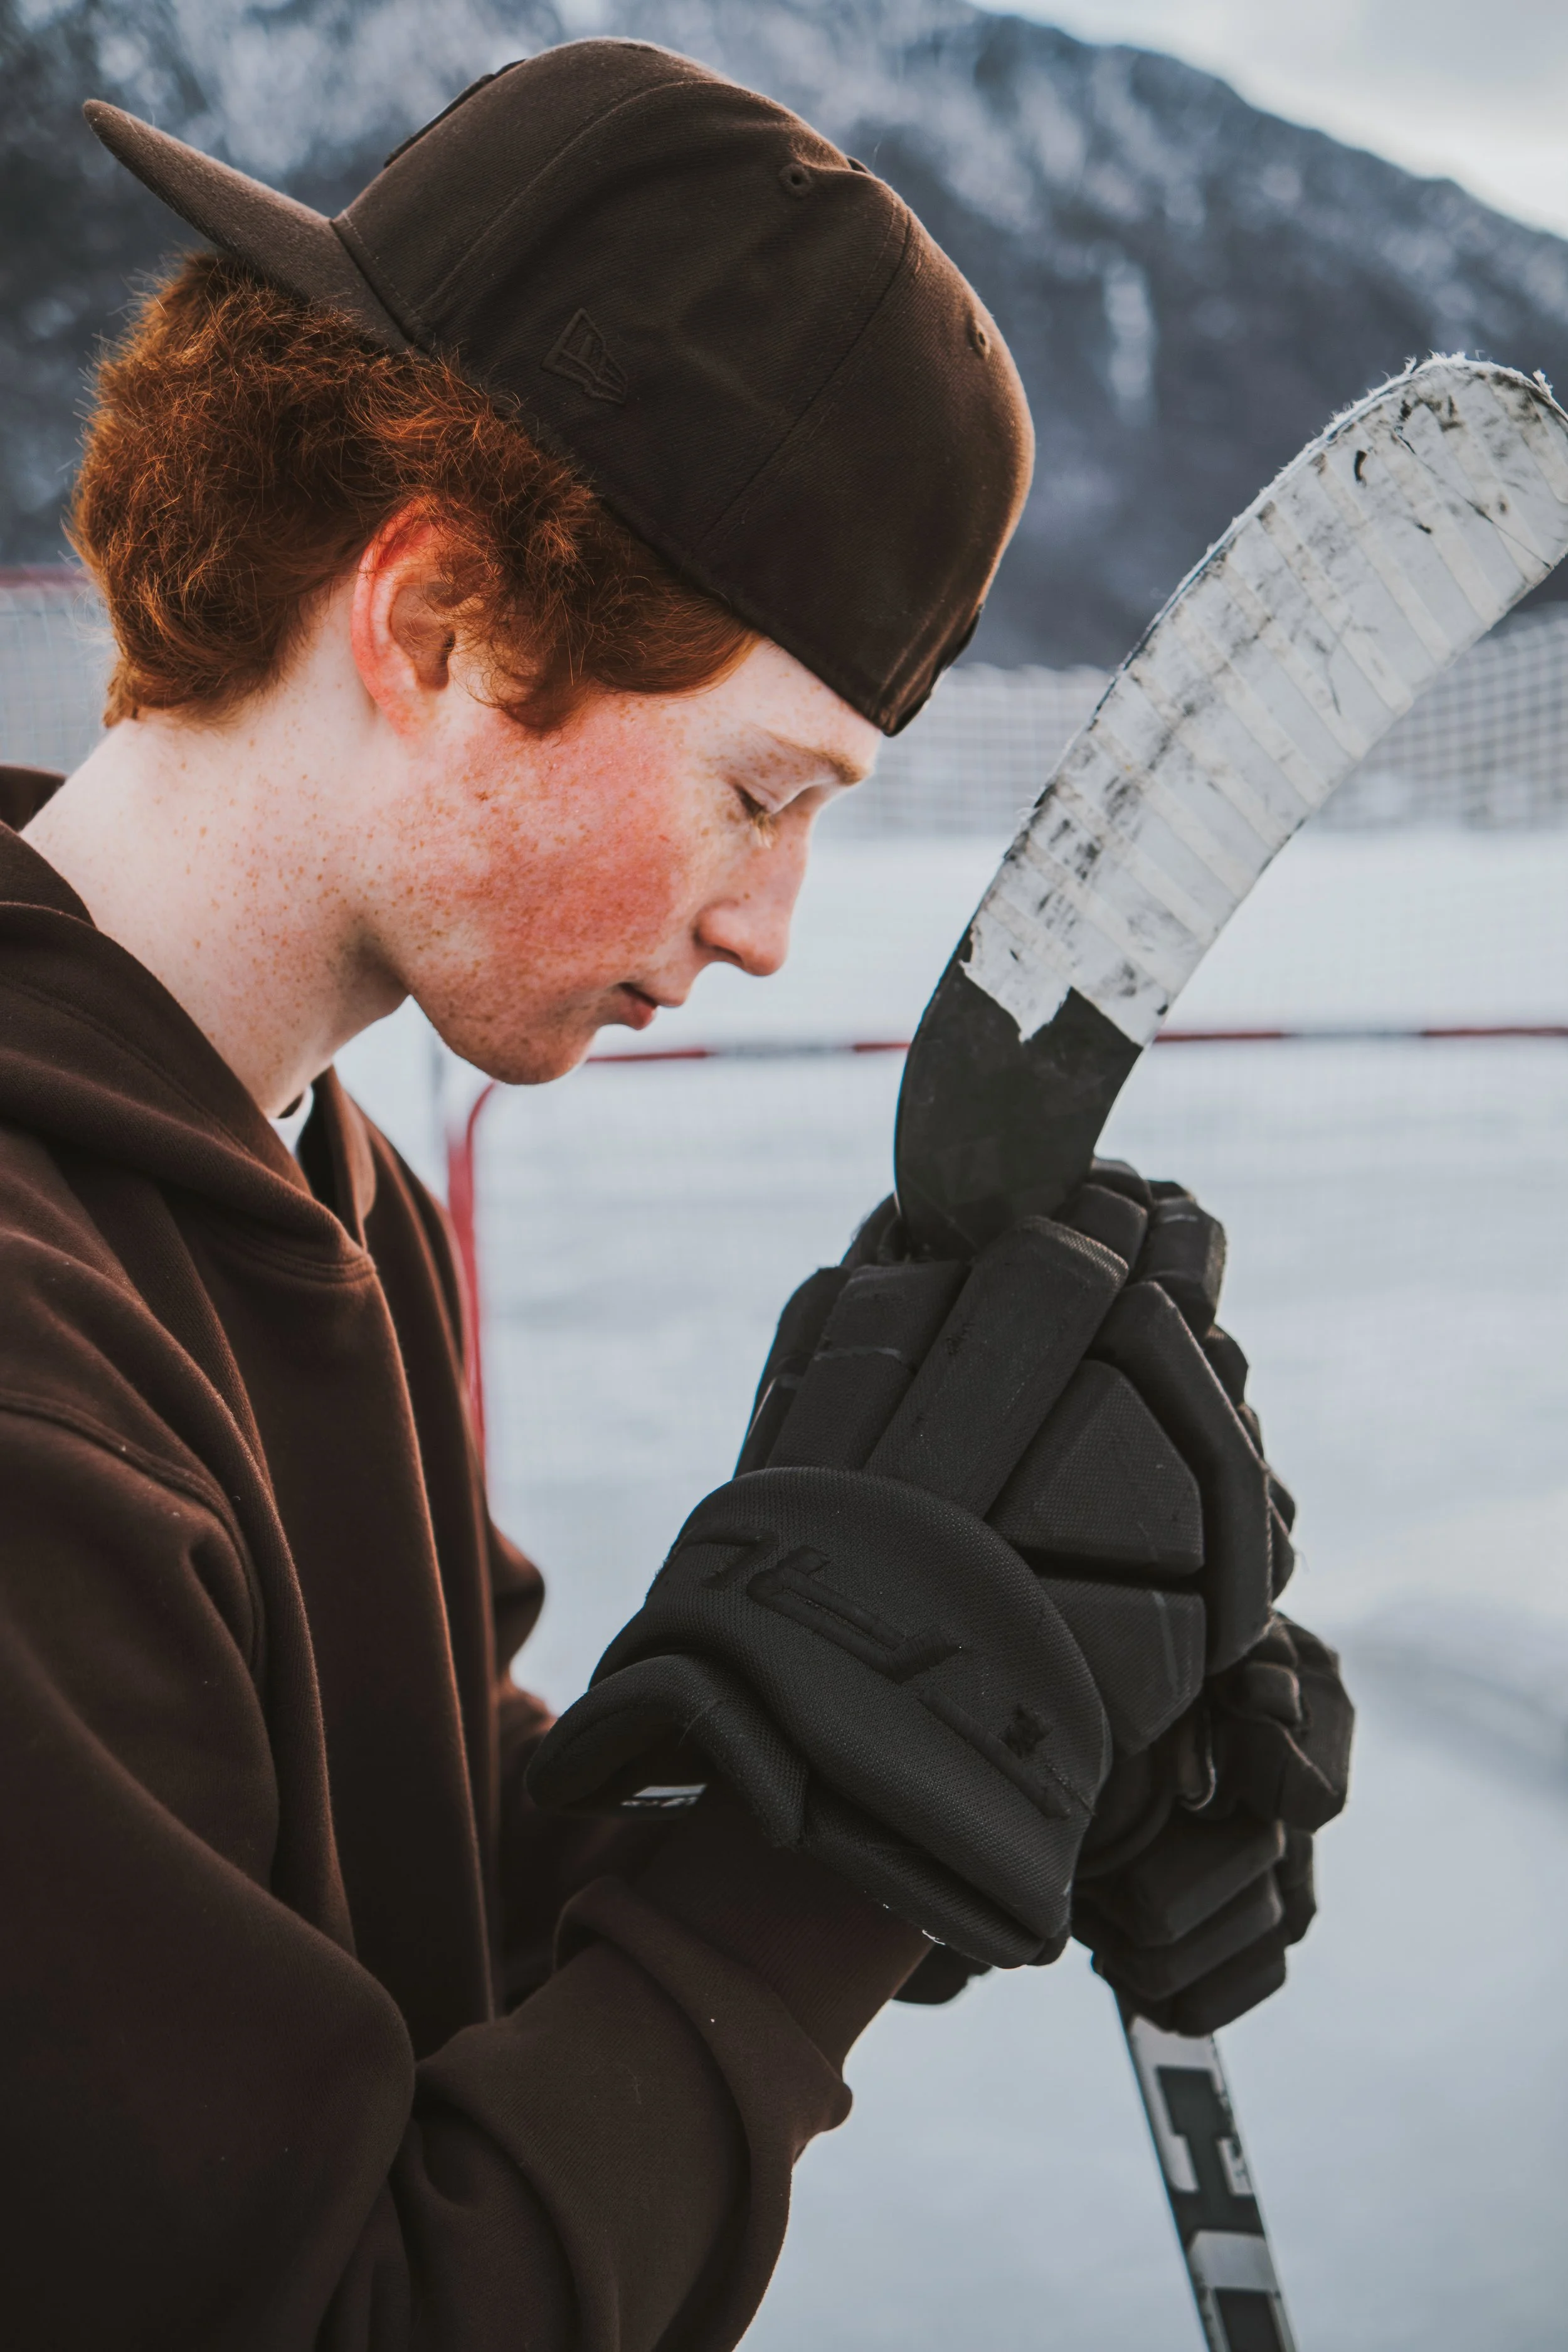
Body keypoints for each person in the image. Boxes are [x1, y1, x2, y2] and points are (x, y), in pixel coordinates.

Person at [0, 38, 1352, 2349]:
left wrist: (955, 1704)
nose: (768, 926)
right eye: (757, 790)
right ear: (437, 625)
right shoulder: (34, 1373)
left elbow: (422, 1935)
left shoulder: (319, 1182)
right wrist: (812, 1870)